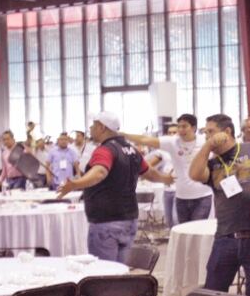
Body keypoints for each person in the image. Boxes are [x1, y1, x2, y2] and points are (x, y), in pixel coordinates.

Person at [190, 113, 250, 296]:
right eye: (205, 133)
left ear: (227, 131)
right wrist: (207, 146)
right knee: (213, 295)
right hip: (225, 237)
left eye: (211, 132)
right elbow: (194, 174)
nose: (207, 136)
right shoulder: (212, 163)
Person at [57, 112, 167, 262]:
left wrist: (76, 184)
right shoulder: (131, 150)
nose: (90, 128)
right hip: (129, 219)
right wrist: (166, 179)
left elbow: (100, 172)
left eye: (93, 125)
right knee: (121, 269)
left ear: (102, 127)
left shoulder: (105, 150)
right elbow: (150, 173)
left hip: (106, 220)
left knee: (105, 271)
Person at [124, 113, 212, 224]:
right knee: (180, 230)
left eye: (184, 126)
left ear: (194, 128)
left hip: (203, 196)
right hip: (181, 196)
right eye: (179, 126)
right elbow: (145, 139)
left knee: (197, 230)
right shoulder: (172, 142)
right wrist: (122, 135)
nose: (181, 130)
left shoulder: (205, 141)